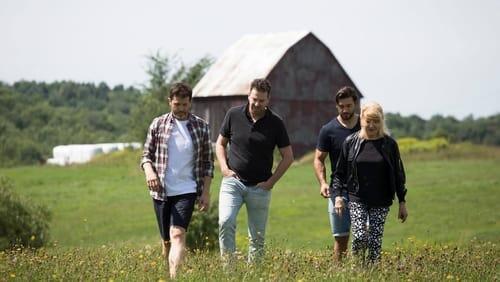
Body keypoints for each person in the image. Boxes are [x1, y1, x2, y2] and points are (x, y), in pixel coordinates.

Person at [140, 82, 214, 279]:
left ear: (190, 102)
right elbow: (146, 155)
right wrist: (150, 172)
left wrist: (205, 192)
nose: (181, 109)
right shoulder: (158, 124)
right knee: (166, 241)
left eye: (184, 104)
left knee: (178, 234)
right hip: (161, 190)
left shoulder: (201, 126)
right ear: (169, 102)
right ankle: (166, 268)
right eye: (176, 104)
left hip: (187, 189)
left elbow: (208, 162)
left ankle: (174, 276)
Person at [216, 78, 294, 263]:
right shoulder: (233, 115)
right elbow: (220, 143)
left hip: (260, 187)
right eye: (254, 99)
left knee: (257, 237)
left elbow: (288, 156)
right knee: (225, 222)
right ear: (248, 95)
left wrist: (270, 182)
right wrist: (224, 168)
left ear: (268, 100)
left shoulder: (276, 123)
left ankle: (255, 273)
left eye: (261, 100)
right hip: (233, 182)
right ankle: (229, 272)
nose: (256, 104)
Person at [332, 102, 408, 264]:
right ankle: (357, 270)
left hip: (381, 200)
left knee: (374, 242)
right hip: (357, 198)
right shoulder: (350, 142)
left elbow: (398, 174)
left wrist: (402, 202)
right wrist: (338, 196)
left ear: (381, 121)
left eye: (376, 121)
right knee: (359, 236)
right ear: (362, 120)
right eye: (368, 121)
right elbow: (339, 173)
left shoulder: (389, 144)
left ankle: (371, 274)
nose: (371, 125)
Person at [313, 86, 360, 262]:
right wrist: (323, 182)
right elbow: (318, 159)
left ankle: (363, 271)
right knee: (340, 239)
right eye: (341, 106)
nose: (345, 110)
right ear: (336, 106)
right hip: (338, 190)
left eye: (348, 105)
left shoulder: (366, 126)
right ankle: (337, 275)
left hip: (363, 191)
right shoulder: (328, 130)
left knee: (365, 235)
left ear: (355, 103)